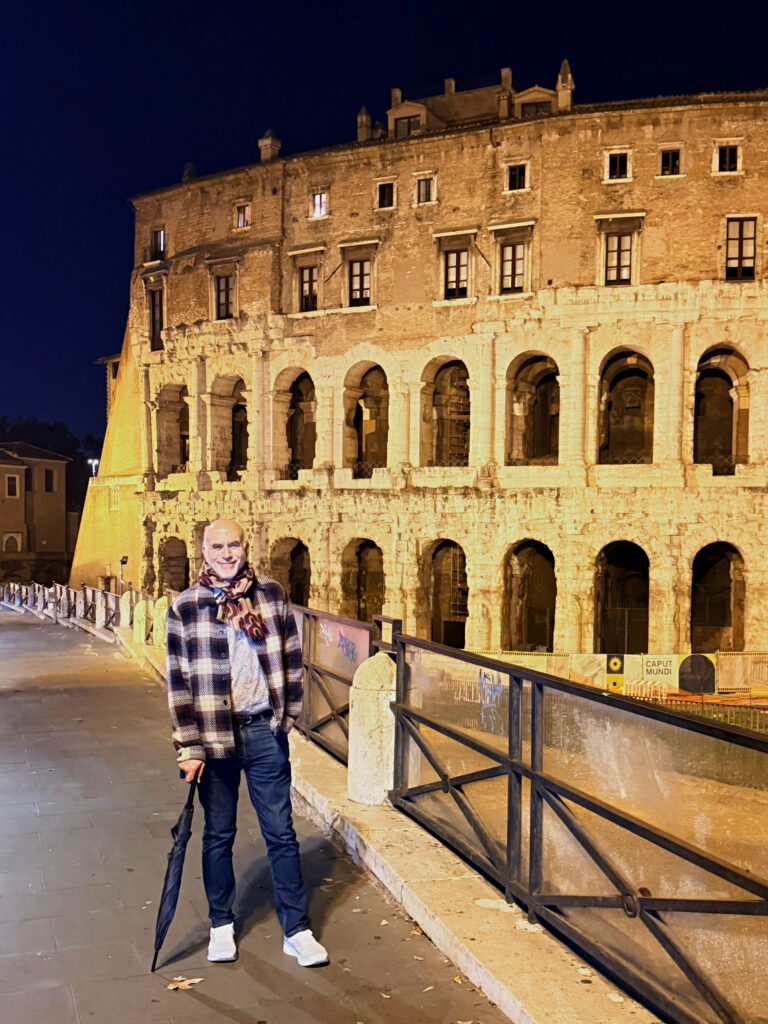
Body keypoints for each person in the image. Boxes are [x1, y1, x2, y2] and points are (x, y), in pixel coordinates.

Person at [165, 518, 328, 967]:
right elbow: (178, 683)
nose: (226, 553)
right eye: (217, 546)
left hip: (262, 730)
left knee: (281, 832)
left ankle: (296, 929)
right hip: (214, 737)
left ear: (244, 547)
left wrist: (287, 716)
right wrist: (188, 746)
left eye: (233, 544)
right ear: (204, 551)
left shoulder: (271, 595)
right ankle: (221, 924)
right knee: (218, 834)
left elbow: (293, 659)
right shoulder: (186, 606)